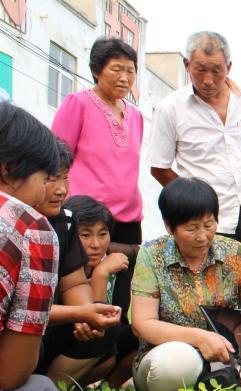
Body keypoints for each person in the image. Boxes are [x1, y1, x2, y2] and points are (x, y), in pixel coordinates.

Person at [149, 31, 241, 348]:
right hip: (208, 226)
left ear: (229, 67)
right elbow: (159, 166)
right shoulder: (172, 108)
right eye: (200, 70)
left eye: (216, 70)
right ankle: (219, 371)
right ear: (186, 65)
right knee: (214, 305)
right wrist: (195, 205)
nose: (208, 79)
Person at [130, 177, 241, 391]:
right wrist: (198, 338)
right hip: (165, 356)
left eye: (209, 225)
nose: (203, 236)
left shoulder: (232, 252)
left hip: (223, 359)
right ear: (170, 226)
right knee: (179, 363)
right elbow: (142, 324)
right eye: (191, 228)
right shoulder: (152, 255)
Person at [51, 37, 143, 331]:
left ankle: (113, 350)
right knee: (82, 288)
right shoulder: (78, 103)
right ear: (96, 70)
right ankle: (81, 350)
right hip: (85, 217)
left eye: (130, 70)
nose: (124, 77)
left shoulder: (137, 115)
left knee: (122, 293)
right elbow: (58, 157)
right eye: (116, 69)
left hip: (128, 217)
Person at [0, 103, 70, 391]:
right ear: (9, 170)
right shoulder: (30, 227)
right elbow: (10, 373)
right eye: (45, 177)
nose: (50, 190)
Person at [34, 140, 122, 387]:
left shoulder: (65, 221)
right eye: (51, 179)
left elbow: (74, 282)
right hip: (21, 329)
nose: (61, 190)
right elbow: (18, 312)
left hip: (51, 324)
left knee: (107, 329)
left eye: (65, 178)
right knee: (29, 336)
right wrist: (78, 313)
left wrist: (86, 315)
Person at [64, 195, 138, 388]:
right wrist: (100, 275)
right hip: (67, 343)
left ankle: (108, 389)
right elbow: (95, 319)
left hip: (103, 349)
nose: (95, 244)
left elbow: (116, 321)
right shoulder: (61, 268)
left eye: (102, 234)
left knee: (140, 331)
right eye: (85, 235)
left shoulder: (118, 266)